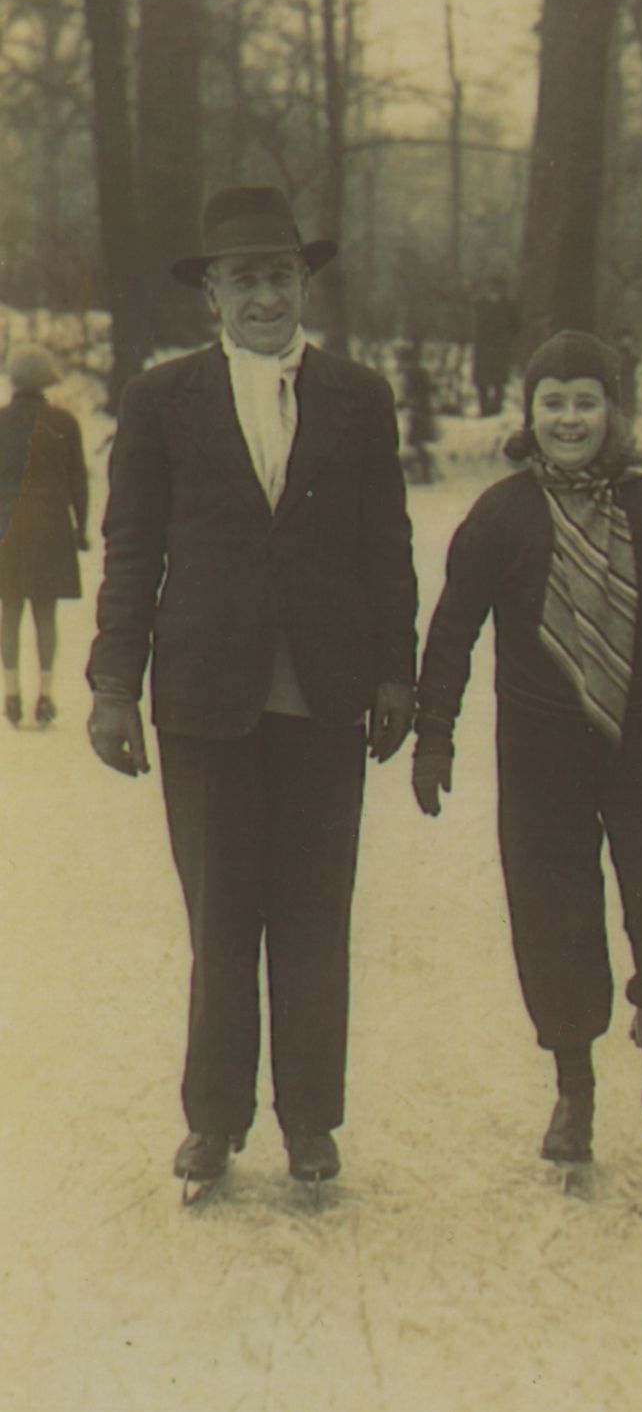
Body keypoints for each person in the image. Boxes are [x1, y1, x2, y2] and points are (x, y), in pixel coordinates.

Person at [86, 187, 418, 1196]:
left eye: (281, 274)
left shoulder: (360, 397)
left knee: (315, 916)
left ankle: (311, 1119)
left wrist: (397, 670)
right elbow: (132, 546)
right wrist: (111, 683)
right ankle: (215, 1121)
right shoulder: (161, 400)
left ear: (304, 284)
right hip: (203, 699)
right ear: (213, 297)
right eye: (244, 279)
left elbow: (387, 547)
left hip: (324, 695)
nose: (264, 295)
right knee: (222, 917)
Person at [412, 331, 642, 1166]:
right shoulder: (503, 513)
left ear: (612, 412)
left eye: (585, 400)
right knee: (554, 917)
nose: (568, 417)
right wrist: (433, 735)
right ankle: (575, 1087)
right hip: (541, 749)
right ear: (530, 414)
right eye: (551, 402)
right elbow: (452, 631)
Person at [0, 342, 88, 727]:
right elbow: (79, 482)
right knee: (45, 612)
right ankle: (47, 695)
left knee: (10, 608)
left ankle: (12, 692)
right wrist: (81, 527)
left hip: (6, 528)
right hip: (51, 528)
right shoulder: (65, 423)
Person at [472, 271, 520, 417]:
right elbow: (475, 324)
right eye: (491, 286)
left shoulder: (508, 305)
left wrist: (506, 338)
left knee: (499, 380)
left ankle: (497, 409)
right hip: (483, 347)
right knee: (482, 380)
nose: (493, 290)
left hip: (500, 347)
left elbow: (516, 326)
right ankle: (484, 409)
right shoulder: (480, 304)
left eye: (497, 287)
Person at [398, 339, 437, 485]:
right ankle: (424, 471)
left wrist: (406, 402)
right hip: (422, 410)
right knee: (417, 443)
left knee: (416, 442)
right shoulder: (420, 372)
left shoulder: (412, 373)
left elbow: (413, 393)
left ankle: (424, 473)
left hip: (418, 411)